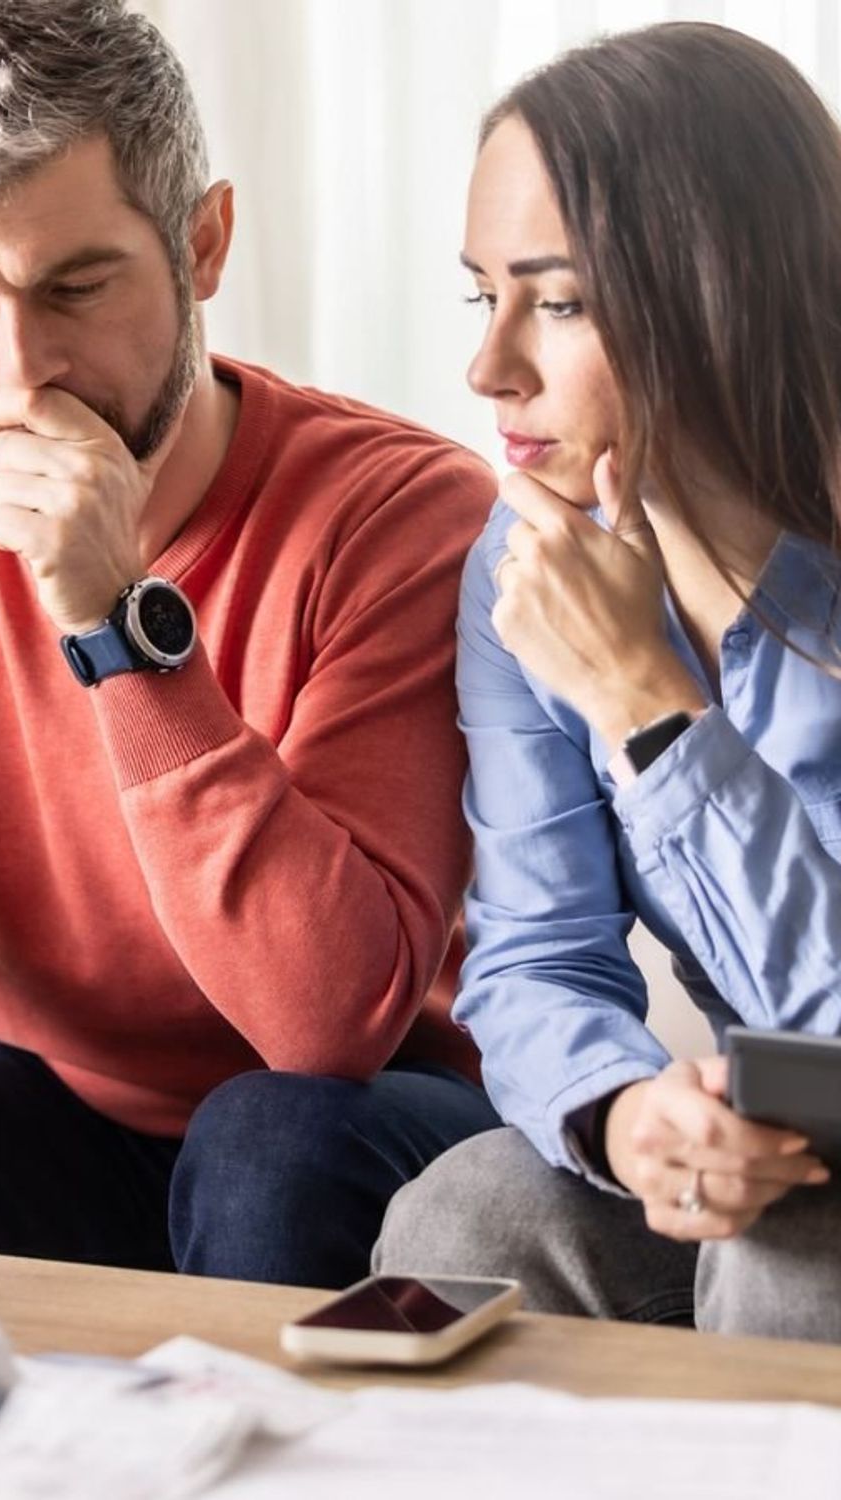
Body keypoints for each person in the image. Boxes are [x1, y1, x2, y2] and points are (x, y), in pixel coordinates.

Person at [0, 0, 501, 1288]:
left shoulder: (405, 512)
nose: (18, 378)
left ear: (203, 241)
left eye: (73, 288)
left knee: (264, 1143)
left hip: (363, 1121)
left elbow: (325, 1023)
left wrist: (120, 630)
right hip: (66, 1114)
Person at [373, 22, 841, 1343]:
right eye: (485, 295)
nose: (489, 367)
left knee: (789, 1262)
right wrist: (633, 1118)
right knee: (465, 1220)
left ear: (719, 292)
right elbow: (532, 956)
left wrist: (648, 704)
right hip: (802, 1123)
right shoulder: (521, 565)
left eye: (558, 301)